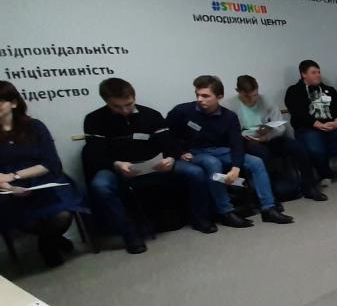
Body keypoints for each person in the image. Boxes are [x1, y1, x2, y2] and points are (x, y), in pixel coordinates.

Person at [84, 78, 217, 253]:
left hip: (154, 165)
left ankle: (200, 218)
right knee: (100, 186)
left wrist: (170, 158)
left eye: (129, 104)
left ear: (134, 97)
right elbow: (95, 154)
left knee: (195, 172)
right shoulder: (94, 119)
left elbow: (169, 144)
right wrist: (116, 164)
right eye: (117, 107)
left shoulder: (151, 115)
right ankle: (130, 235)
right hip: (116, 167)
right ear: (106, 102)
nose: (124, 110)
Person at [168, 75, 293, 227]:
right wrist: (178, 152)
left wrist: (236, 167)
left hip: (220, 150)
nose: (200, 99)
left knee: (256, 162)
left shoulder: (229, 117)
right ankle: (226, 212)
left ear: (219, 96)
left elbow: (236, 144)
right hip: (195, 152)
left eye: (205, 96)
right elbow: (166, 134)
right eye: (198, 95)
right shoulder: (182, 111)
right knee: (212, 163)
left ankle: (269, 208)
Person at [0, 81, 87, 267]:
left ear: (13, 103)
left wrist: (15, 176)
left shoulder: (35, 126)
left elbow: (51, 163)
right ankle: (52, 239)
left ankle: (47, 244)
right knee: (24, 221)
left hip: (44, 180)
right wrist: (9, 187)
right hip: (8, 189)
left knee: (62, 215)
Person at [223, 76, 328, 200]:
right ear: (238, 91)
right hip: (248, 141)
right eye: (247, 96)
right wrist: (248, 136)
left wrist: (267, 136)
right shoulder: (231, 105)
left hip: (269, 137)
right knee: (262, 153)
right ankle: (269, 196)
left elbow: (280, 126)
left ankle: (309, 187)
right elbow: (231, 133)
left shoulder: (266, 100)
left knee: (298, 147)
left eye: (255, 95)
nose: (252, 100)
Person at [285, 59, 337, 186]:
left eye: (319, 72)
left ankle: (319, 154)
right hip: (309, 128)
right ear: (303, 74)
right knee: (315, 148)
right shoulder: (294, 91)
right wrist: (318, 124)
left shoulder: (329, 89)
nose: (318, 75)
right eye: (314, 72)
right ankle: (325, 173)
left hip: (333, 125)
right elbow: (298, 113)